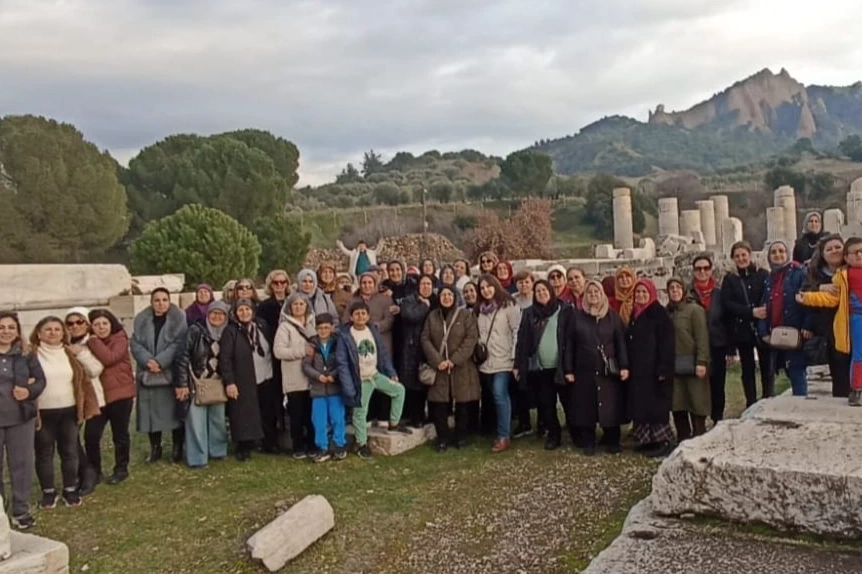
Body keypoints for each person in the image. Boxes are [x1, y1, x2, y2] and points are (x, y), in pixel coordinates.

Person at [30, 316, 99, 509]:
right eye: (48, 329)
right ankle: (48, 492)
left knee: (69, 451)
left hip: (68, 410)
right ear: (39, 333)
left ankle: (70, 489)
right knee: (44, 453)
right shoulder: (30, 355)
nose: (53, 333)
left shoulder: (70, 353)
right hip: (42, 412)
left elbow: (89, 375)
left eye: (57, 329)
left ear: (63, 333)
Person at [336, 301, 411, 460]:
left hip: (375, 375)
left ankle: (393, 424)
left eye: (363, 313)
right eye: (357, 314)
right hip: (360, 380)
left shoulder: (372, 330)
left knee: (399, 390)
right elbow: (342, 363)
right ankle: (361, 443)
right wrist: (349, 387)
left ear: (368, 316)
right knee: (360, 412)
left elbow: (382, 353)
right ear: (351, 316)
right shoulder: (345, 336)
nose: (360, 316)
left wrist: (391, 372)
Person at [564, 280, 628, 455]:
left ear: (602, 294)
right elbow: (569, 344)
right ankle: (588, 441)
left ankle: (612, 440)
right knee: (586, 405)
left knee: (610, 405)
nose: (593, 295)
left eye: (596, 292)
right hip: (584, 369)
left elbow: (620, 342)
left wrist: (624, 366)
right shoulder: (577, 316)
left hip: (608, 369)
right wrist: (568, 369)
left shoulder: (613, 316)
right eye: (590, 292)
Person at [797, 237, 862, 405]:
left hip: (851, 323)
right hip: (834, 330)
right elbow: (817, 296)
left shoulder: (848, 271)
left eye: (837, 247)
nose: (834, 251)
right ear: (822, 254)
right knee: (843, 366)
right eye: (829, 248)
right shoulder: (818, 273)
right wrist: (813, 292)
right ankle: (849, 396)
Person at [515, 280, 575, 450]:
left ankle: (575, 431)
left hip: (561, 367)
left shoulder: (565, 310)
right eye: (538, 291)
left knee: (568, 403)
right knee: (546, 405)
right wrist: (519, 364)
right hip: (540, 369)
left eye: (544, 290)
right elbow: (523, 340)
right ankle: (553, 435)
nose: (541, 293)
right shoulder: (529, 313)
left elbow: (571, 339)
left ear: (550, 291)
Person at [130, 288, 188, 465]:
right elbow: (135, 343)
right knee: (150, 413)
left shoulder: (178, 320)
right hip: (148, 372)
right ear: (151, 302)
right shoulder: (142, 320)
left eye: (164, 300)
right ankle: (155, 447)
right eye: (157, 300)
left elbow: (178, 343)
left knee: (174, 412)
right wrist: (148, 361)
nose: (161, 303)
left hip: (169, 372)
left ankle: (177, 448)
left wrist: (160, 361)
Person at [0, 311, 45, 529]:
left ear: (17, 331)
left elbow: (41, 381)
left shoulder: (26, 355)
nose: (6, 331)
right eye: (1, 327)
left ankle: (20, 510)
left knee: (21, 465)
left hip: (20, 418)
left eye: (10, 327)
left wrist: (28, 391)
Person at [422, 286, 480, 452]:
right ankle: (442, 439)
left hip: (461, 366)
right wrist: (438, 360)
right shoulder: (432, 316)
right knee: (439, 404)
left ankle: (461, 437)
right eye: (443, 294)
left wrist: (454, 360)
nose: (446, 298)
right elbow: (425, 339)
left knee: (463, 403)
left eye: (449, 294)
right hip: (439, 367)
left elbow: (471, 339)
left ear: (455, 297)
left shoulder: (465, 315)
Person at [85, 309, 136, 486]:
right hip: (99, 396)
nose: (101, 328)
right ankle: (94, 471)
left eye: (104, 323)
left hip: (120, 394)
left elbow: (110, 358)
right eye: (96, 324)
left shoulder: (119, 338)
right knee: (91, 435)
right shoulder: (88, 343)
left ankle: (121, 468)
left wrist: (92, 341)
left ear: (111, 323)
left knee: (119, 434)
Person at [177, 301, 230, 468]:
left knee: (218, 420)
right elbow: (183, 357)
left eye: (220, 314)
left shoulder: (227, 333)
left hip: (218, 382)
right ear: (207, 315)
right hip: (197, 381)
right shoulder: (195, 331)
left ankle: (218, 451)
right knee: (196, 423)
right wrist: (182, 383)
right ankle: (198, 458)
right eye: (213, 313)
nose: (216, 317)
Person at [626, 279, 676, 458]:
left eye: (644, 293)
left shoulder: (658, 313)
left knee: (656, 406)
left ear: (651, 294)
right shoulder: (636, 313)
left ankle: (663, 441)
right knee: (642, 405)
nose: (640, 295)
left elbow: (667, 343)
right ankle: (647, 440)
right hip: (640, 369)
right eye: (637, 292)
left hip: (655, 369)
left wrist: (664, 369)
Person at [721, 241, 772, 408]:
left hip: (762, 328)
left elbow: (768, 296)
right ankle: (751, 403)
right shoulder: (730, 279)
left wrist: (761, 312)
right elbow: (727, 304)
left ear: (750, 255)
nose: (741, 259)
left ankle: (768, 399)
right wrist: (750, 312)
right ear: (733, 259)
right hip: (742, 330)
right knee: (747, 368)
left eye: (743, 255)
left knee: (766, 366)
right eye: (737, 256)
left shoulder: (763, 274)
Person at [220, 299, 272, 461]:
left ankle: (268, 443)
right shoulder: (231, 331)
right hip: (242, 378)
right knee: (243, 413)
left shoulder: (261, 325)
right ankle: (244, 446)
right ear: (235, 313)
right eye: (240, 310)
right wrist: (229, 382)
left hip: (265, 375)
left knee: (266, 411)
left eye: (247, 309)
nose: (244, 313)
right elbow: (225, 359)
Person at [758, 240, 810, 397]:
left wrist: (808, 326)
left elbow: (808, 301)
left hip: (795, 332)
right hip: (777, 334)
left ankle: (800, 410)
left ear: (787, 254)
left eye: (781, 251)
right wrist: (763, 332)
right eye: (773, 252)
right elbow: (764, 306)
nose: (778, 255)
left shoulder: (799, 273)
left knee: (797, 372)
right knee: (787, 370)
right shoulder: (770, 278)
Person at [475, 275, 520, 452]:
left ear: (495, 286)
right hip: (486, 359)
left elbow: (516, 330)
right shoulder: (480, 309)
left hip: (503, 357)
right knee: (494, 397)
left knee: (499, 394)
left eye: (489, 287)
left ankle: (503, 436)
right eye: (482, 288)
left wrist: (515, 357)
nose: (486, 290)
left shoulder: (508, 305)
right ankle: (499, 428)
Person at [64, 307, 103, 496]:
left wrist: (80, 353)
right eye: (70, 323)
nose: (74, 326)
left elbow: (96, 369)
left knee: (91, 438)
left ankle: (93, 472)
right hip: (69, 396)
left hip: (92, 396)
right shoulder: (63, 344)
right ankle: (85, 471)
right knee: (71, 439)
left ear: (87, 324)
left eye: (79, 322)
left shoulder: (93, 342)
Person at [666, 277, 711, 441]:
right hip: (674, 364)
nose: (675, 290)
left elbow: (702, 337)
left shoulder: (694, 310)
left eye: (678, 287)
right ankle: (683, 439)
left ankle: (699, 438)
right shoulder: (668, 312)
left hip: (692, 363)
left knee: (696, 401)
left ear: (684, 290)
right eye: (671, 288)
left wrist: (702, 361)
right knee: (678, 404)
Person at [687, 254, 731, 423]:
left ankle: (717, 418)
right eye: (698, 269)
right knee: (697, 385)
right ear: (693, 271)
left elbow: (727, 320)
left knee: (718, 385)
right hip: (695, 346)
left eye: (706, 268)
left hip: (717, 344)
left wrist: (730, 349)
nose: (702, 272)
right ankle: (699, 420)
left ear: (711, 270)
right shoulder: (688, 294)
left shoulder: (720, 294)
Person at [274, 292, 317, 459]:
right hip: (294, 379)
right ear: (290, 307)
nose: (299, 307)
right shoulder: (285, 327)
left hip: (311, 378)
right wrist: (301, 351)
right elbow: (278, 351)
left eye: (302, 304)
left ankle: (312, 444)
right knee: (297, 415)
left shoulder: (312, 325)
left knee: (311, 415)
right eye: (295, 304)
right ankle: (298, 446)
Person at [303, 314, 347, 462]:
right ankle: (322, 446)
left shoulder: (338, 342)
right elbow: (306, 365)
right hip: (318, 389)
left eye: (326, 327)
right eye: (320, 328)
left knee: (337, 418)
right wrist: (317, 376)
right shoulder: (312, 344)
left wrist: (333, 375)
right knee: (319, 419)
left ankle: (339, 445)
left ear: (332, 328)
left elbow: (342, 362)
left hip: (335, 387)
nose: (323, 331)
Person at [398, 275, 438, 427]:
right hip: (413, 346)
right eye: (423, 284)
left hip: (432, 346)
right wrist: (424, 306)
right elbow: (410, 316)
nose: (426, 287)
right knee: (414, 384)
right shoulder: (409, 301)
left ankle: (434, 416)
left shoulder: (436, 300)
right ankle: (416, 417)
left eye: (429, 284)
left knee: (432, 382)